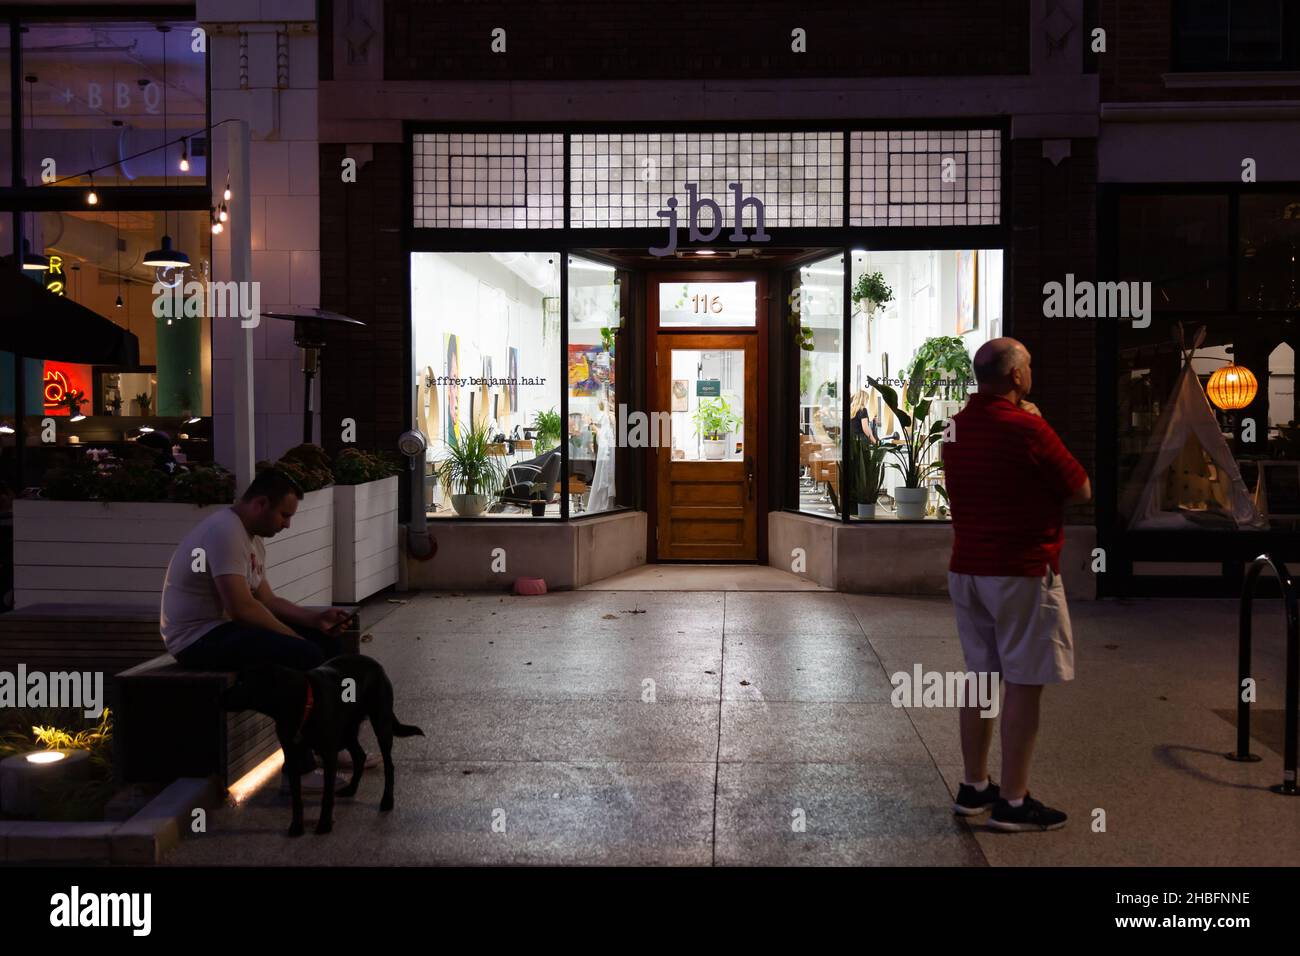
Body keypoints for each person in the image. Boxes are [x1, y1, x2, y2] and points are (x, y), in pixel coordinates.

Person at [941, 337, 1090, 831]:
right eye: (1029, 366)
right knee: (1025, 680)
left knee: (980, 675)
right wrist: (1039, 422)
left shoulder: (954, 428)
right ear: (1016, 377)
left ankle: (973, 785)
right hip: (1022, 570)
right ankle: (1013, 799)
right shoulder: (1029, 428)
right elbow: (1080, 488)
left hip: (968, 568)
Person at [161, 468, 353, 671]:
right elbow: (241, 609)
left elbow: (268, 600)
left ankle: (335, 700)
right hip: (196, 640)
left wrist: (315, 620)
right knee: (305, 653)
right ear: (260, 503)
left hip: (224, 629)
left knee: (326, 641)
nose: (287, 524)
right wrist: (293, 637)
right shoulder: (224, 532)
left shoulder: (252, 537)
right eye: (284, 515)